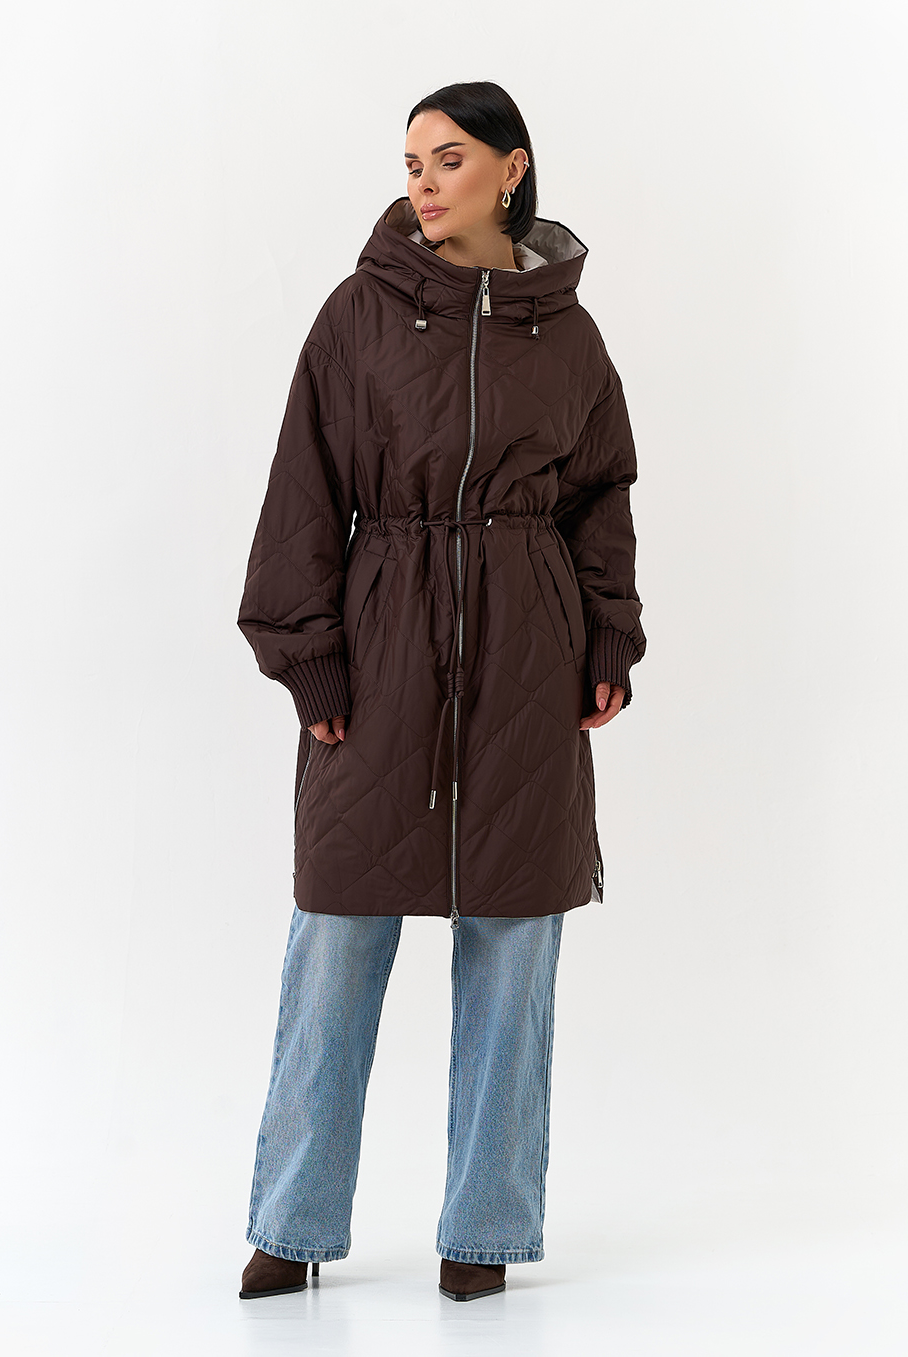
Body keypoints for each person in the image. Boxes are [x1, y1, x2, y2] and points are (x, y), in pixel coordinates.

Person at [235, 80, 646, 1302]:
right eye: (411, 161)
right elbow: (303, 490)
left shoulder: (567, 334)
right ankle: (292, 1220)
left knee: (515, 944)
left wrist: (607, 638)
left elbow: (599, 495)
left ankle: (485, 1230)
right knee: (334, 938)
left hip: (525, 663)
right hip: (382, 658)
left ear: (510, 170)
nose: (422, 181)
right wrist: (307, 652)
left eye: (449, 158)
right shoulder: (355, 315)